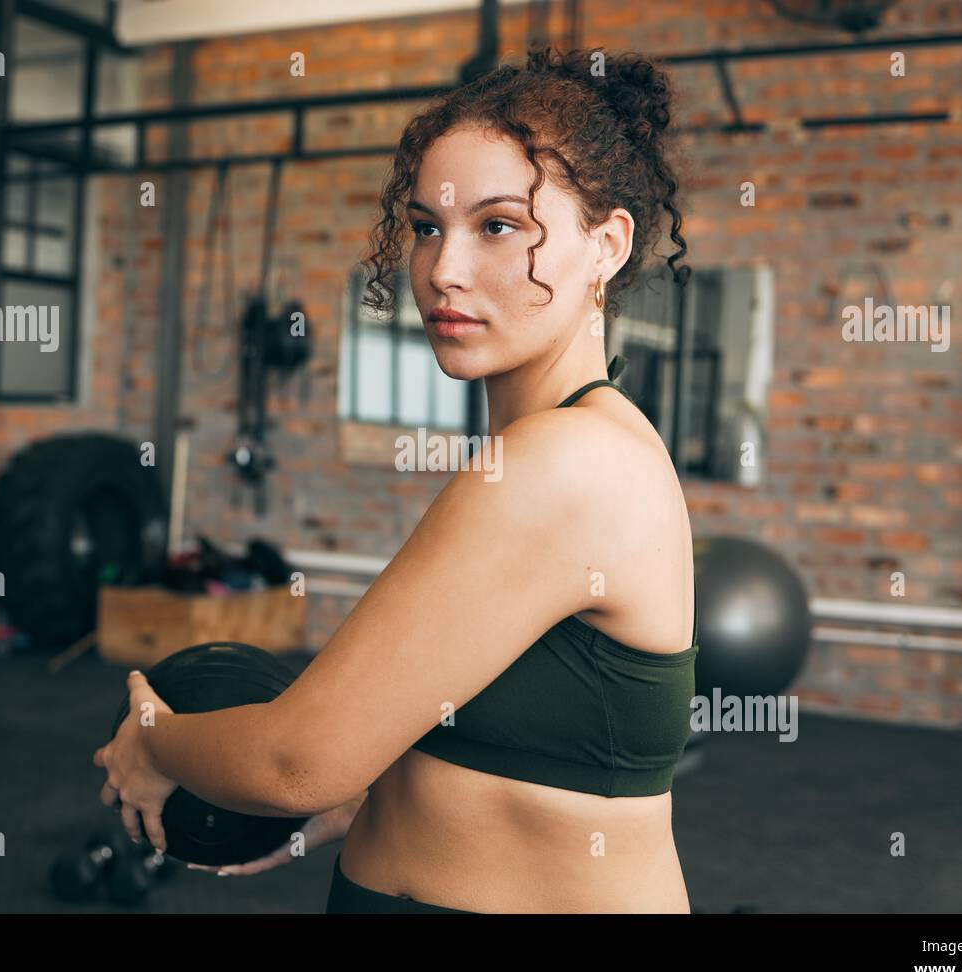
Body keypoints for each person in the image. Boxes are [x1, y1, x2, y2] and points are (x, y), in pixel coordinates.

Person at [94, 44, 697, 913]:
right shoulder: (559, 447)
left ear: (606, 246)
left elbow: (295, 761)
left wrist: (154, 743)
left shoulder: (568, 463)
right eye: (426, 226)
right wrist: (365, 803)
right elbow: (478, 742)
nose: (442, 270)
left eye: (497, 226)